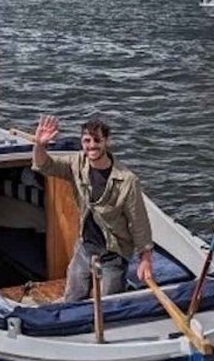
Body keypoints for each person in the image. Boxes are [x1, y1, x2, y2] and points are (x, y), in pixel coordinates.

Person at [32, 115, 153, 302]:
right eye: (87, 140)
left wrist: (145, 260)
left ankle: (120, 285)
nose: (92, 145)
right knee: (72, 298)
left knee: (110, 305)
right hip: (85, 248)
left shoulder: (127, 180)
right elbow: (44, 165)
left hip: (113, 253)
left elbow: (139, 222)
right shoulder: (77, 164)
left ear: (107, 142)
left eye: (97, 140)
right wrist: (39, 145)